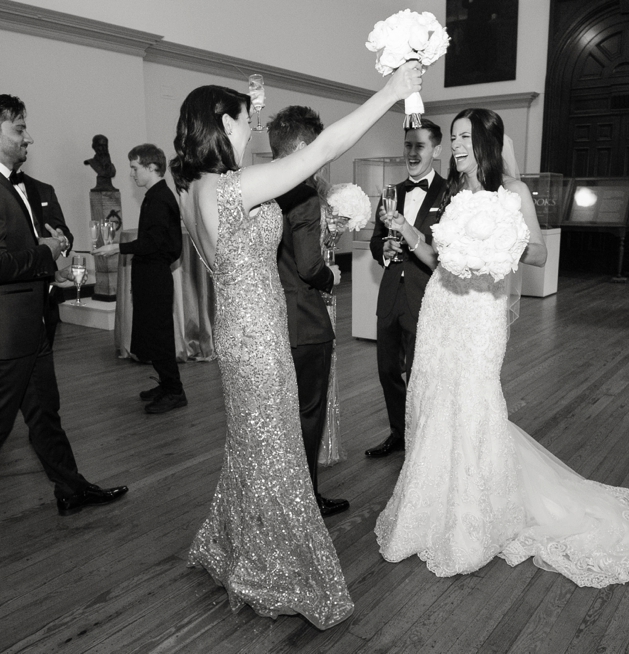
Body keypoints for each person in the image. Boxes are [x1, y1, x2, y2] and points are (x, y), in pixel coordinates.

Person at [374, 108, 629, 585]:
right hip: (442, 306)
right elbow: (438, 258)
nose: (457, 145)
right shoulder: (455, 193)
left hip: (480, 314)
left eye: (464, 137)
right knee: (434, 400)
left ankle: (477, 514)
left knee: (474, 401)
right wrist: (407, 231)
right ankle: (432, 507)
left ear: (484, 142)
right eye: (455, 138)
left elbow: (539, 254)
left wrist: (502, 246)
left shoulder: (514, 193)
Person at [170, 63, 422, 629]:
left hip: (236, 324)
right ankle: (278, 568)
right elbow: (324, 147)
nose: (248, 133)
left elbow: (223, 165)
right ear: (219, 125)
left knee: (253, 443)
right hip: (260, 334)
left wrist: (249, 108)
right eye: (241, 125)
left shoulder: (186, 185)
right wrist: (389, 92)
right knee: (278, 449)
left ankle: (240, 547)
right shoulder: (232, 189)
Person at [0, 94, 128, 568]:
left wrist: (44, 258)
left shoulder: (7, 186)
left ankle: (70, 489)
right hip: (0, 335)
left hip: (29, 329)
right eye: (19, 128)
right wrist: (45, 251)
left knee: (45, 414)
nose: (27, 136)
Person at [267, 105, 349, 518]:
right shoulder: (303, 194)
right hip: (305, 320)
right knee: (308, 416)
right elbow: (309, 266)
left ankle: (282, 498)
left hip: (270, 317)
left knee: (279, 418)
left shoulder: (261, 187)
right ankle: (306, 502)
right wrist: (331, 276)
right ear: (302, 147)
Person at [364, 119, 448, 458]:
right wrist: (382, 250)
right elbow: (373, 241)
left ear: (436, 150)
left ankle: (420, 439)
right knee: (387, 370)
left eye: (420, 146)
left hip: (425, 295)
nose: (412, 153)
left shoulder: (449, 193)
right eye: (408, 146)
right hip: (390, 295)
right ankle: (398, 432)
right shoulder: (391, 192)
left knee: (418, 373)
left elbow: (445, 253)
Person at [94, 144, 186, 414]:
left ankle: (175, 391)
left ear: (152, 167)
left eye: (135, 168)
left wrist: (117, 247)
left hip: (155, 276)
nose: (132, 173)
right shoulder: (155, 195)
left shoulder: (159, 198)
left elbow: (154, 242)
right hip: (151, 275)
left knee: (159, 335)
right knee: (153, 332)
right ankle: (167, 384)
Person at [19, 173, 73, 346]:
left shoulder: (44, 189)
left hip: (47, 284)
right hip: (11, 291)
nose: (27, 144)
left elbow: (62, 229)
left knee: (46, 349)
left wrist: (62, 241)